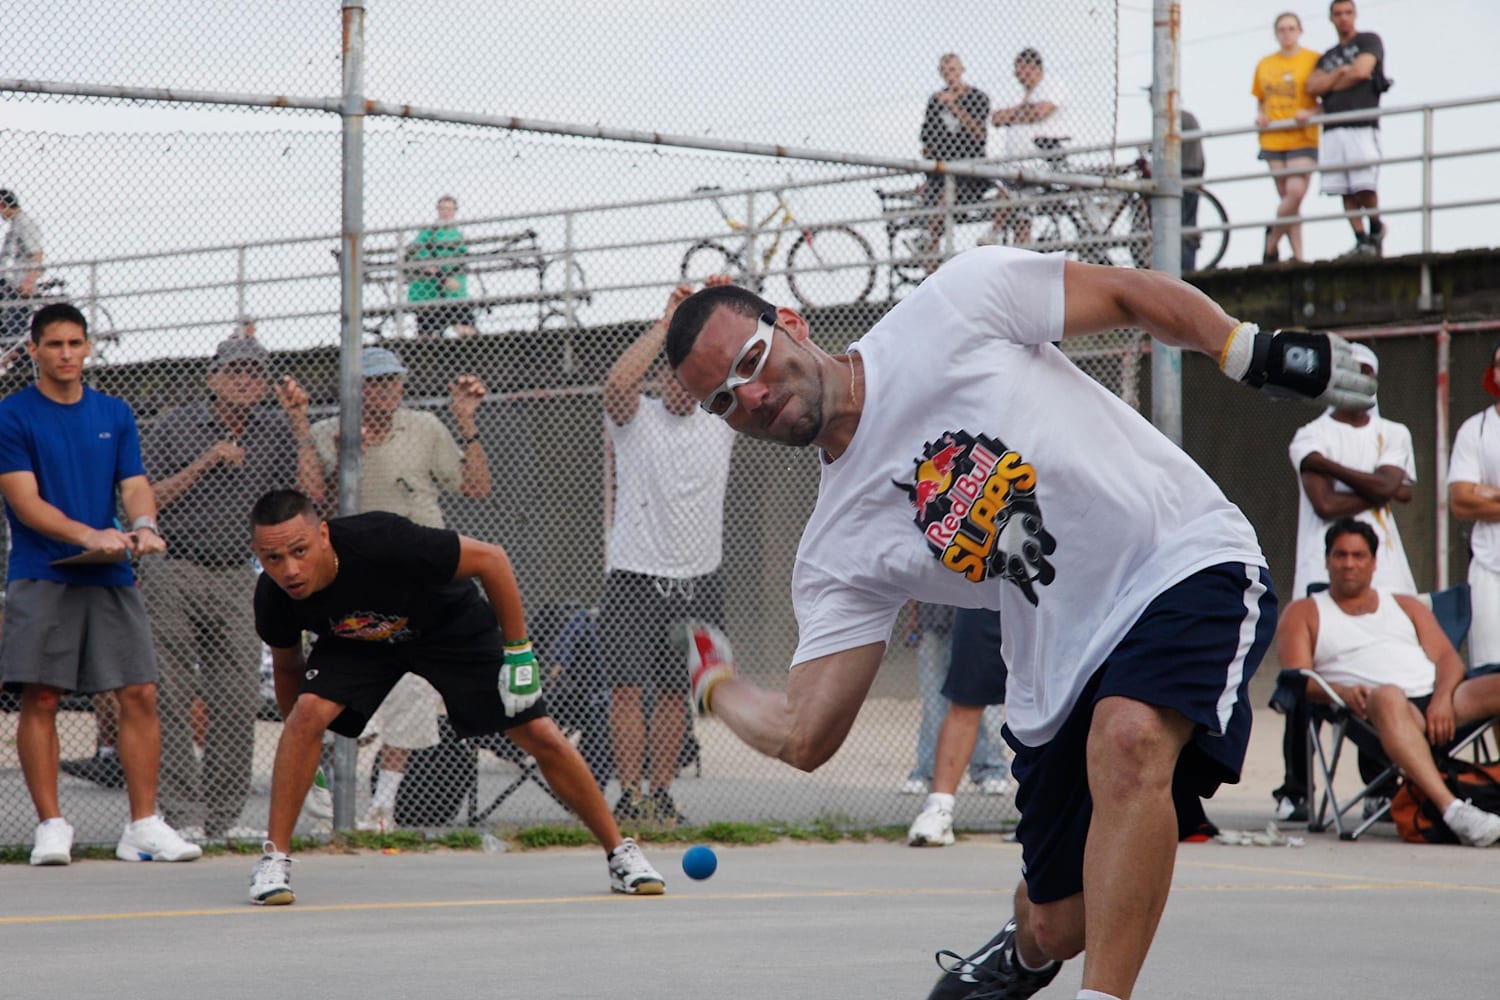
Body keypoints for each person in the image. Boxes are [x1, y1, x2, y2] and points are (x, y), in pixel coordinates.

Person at [664, 246, 1374, 1000]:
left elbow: (1128, 294)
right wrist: (717, 687)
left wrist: (1246, 349)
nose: (751, 396)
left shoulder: (952, 307)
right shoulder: (837, 546)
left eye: (749, 360)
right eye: (721, 402)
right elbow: (806, 732)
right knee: (1059, 924)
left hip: (1180, 555)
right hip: (1057, 656)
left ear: (793, 324)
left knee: (1130, 740)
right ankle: (1026, 949)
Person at [246, 489, 666, 904]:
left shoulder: (383, 539)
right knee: (307, 713)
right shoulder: (274, 596)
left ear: (323, 535)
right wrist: (302, 752)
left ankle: (620, 853)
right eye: (274, 559)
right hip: (359, 640)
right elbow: (287, 669)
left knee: (536, 731)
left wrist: (519, 653)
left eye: (299, 551)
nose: (290, 570)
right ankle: (275, 860)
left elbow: (492, 559)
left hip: (446, 627)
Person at [0, 302, 202, 866]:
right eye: (54, 344)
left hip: (110, 572)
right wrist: (90, 533)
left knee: (139, 692)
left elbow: (135, 484)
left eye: (75, 343)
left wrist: (142, 526)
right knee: (42, 696)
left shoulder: (114, 410)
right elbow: (24, 500)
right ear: (35, 351)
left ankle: (142, 826)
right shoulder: (11, 415)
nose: (66, 353)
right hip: (41, 574)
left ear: (88, 347)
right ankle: (51, 827)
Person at [139, 336, 321, 841]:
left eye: (255, 373)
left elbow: (309, 496)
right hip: (174, 566)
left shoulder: (274, 429)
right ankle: (182, 814)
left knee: (238, 695)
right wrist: (207, 462)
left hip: (239, 573)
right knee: (168, 693)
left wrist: (301, 423)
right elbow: (143, 499)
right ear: (213, 377)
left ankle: (222, 818)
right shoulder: (176, 425)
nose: (246, 380)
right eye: (236, 371)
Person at [308, 345, 492, 832]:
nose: (385, 390)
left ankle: (381, 808)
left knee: (410, 696)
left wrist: (466, 422)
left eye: (391, 381)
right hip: (353, 583)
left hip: (417, 583)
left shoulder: (425, 428)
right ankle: (331, 798)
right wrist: (348, 454)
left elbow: (475, 486)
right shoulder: (327, 434)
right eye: (373, 382)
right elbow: (313, 504)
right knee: (341, 698)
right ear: (354, 389)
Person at [1275, 518, 1500, 847]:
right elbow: (1297, 678)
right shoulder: (1305, 612)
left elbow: (1448, 660)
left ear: (1374, 562)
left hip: (1440, 703)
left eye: (1358, 555)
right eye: (1340, 555)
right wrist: (1342, 692)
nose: (1349, 564)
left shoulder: (1404, 604)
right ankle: (1453, 810)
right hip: (1374, 710)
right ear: (1326, 561)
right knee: (1388, 695)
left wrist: (1440, 699)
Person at [601, 280, 735, 826]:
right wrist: (667, 323)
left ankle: (660, 794)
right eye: (671, 372)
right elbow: (616, 381)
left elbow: (750, 369)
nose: (680, 384)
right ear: (660, 377)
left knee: (679, 695)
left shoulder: (722, 419)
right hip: (634, 574)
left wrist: (720, 314)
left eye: (690, 374)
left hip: (699, 578)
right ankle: (628, 795)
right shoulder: (636, 420)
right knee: (627, 690)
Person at [1275, 341, 1415, 822]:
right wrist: (1381, 488)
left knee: (1383, 672)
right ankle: (1296, 789)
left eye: (1365, 373)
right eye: (1348, 373)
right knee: (1304, 679)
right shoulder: (1308, 434)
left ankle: (1379, 785)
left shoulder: (1393, 432)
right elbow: (1327, 507)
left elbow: (1393, 488)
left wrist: (1328, 468)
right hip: (1320, 574)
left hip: (1387, 575)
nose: (1358, 381)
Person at [907, 607, 1012, 848]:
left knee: (1051, 705)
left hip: (1046, 598)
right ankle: (939, 808)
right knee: (964, 700)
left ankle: (1040, 809)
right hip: (984, 599)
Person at [1306, 0, 1390, 258]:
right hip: (1332, 128)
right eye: (1338, 14)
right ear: (1331, 18)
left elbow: (1362, 71)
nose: (1343, 18)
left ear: (1355, 15)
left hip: (1361, 124)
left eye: (1347, 13)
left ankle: (1376, 229)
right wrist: (1342, 73)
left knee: (1364, 184)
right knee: (1343, 187)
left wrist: (1331, 82)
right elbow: (1312, 87)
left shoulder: (1368, 40)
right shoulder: (1328, 56)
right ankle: (1361, 238)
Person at [1447, 341, 1500, 672]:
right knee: (1492, 674)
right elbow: (1461, 502)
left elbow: (1475, 495)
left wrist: (1490, 492)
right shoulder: (1475, 429)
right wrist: (1474, 494)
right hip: (1489, 569)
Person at [1252, 13, 1321, 264]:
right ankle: (1299, 256)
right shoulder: (1265, 64)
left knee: (1295, 192)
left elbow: (1324, 101)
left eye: (1291, 28)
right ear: (1275, 33)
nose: (1287, 33)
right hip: (1273, 138)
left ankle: (1272, 241)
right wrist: (1260, 116)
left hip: (1302, 137)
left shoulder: (1313, 60)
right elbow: (1262, 100)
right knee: (1289, 202)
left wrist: (1311, 112)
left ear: (1300, 30)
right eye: (1282, 29)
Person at [983, 48, 1068, 247]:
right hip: (1022, 164)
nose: (1015, 74)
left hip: (1044, 159)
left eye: (1018, 69)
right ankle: (1021, 253)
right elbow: (996, 119)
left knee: (1008, 188)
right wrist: (1020, 112)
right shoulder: (1025, 95)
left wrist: (1011, 115)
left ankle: (993, 232)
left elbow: (1040, 112)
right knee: (1022, 213)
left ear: (1030, 67)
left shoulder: (1051, 85)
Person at [912, 53, 992, 259]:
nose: (950, 75)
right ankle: (930, 271)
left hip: (970, 171)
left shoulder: (977, 97)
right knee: (930, 204)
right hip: (940, 171)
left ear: (962, 70)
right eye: (946, 71)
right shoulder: (935, 101)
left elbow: (979, 134)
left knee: (946, 200)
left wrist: (954, 107)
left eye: (954, 70)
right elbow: (927, 141)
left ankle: (926, 235)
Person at [405, 194, 475, 338]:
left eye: (449, 209)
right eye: (442, 209)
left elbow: (462, 260)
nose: (446, 212)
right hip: (428, 293)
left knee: (466, 327)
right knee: (426, 332)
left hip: (454, 293)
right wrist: (443, 278)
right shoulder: (428, 232)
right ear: (437, 210)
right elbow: (420, 257)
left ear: (455, 211)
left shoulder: (457, 235)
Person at [0, 189, 44, 343]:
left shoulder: (25, 223)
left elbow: (37, 254)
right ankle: (13, 358)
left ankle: (14, 358)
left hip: (20, 284)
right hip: (10, 284)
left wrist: (29, 282)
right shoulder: (15, 225)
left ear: (2, 205)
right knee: (9, 325)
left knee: (15, 326)